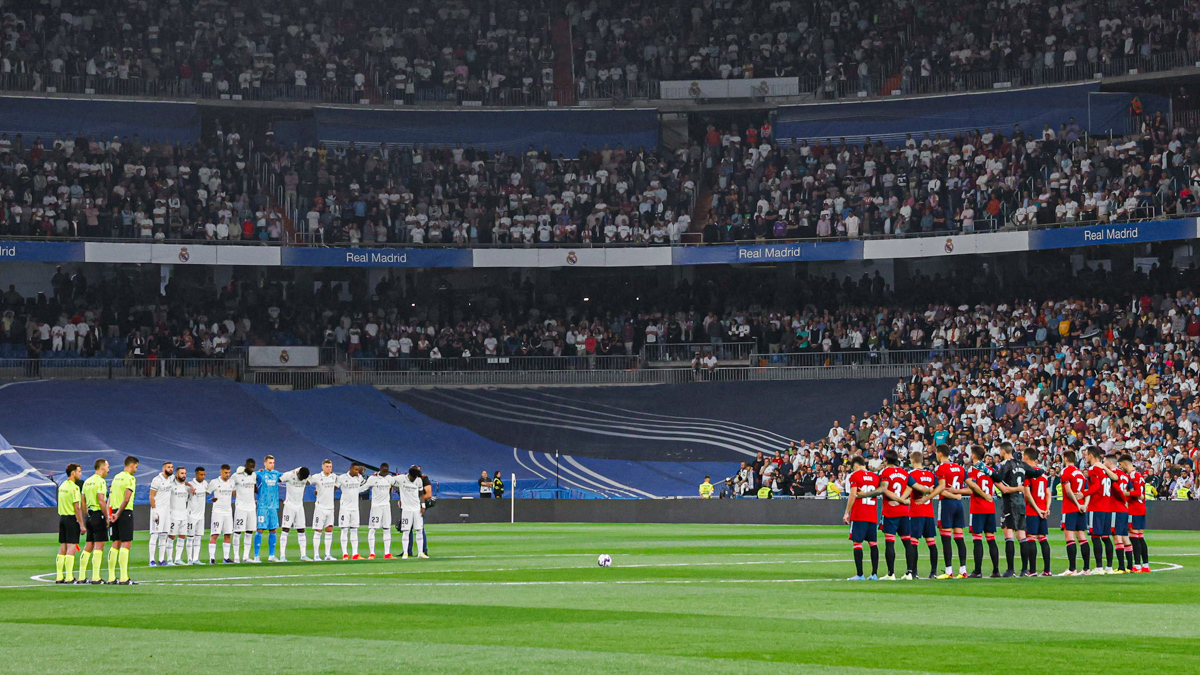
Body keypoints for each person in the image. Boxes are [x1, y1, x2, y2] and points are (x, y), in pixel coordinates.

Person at [993, 442, 1031, 577]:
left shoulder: (1005, 465)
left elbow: (1003, 488)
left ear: (1003, 451)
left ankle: (1010, 570)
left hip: (1010, 503)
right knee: (1022, 536)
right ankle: (1025, 570)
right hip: (1021, 502)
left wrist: (992, 475)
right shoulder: (1020, 464)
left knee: (1009, 536)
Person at [842, 455, 883, 580]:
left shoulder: (855, 476)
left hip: (859, 514)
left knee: (857, 543)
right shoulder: (875, 477)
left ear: (855, 465)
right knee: (873, 543)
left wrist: (846, 512)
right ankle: (874, 574)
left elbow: (853, 495)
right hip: (872, 515)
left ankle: (860, 574)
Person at [933, 444, 969, 578]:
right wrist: (958, 494)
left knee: (946, 537)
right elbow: (970, 487)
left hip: (947, 503)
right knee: (959, 537)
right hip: (959, 504)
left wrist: (953, 495)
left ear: (940, 453)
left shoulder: (940, 468)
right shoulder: (960, 468)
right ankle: (963, 570)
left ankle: (948, 570)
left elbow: (941, 489)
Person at [877, 450, 913, 580]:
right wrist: (903, 500)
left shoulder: (885, 472)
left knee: (890, 542)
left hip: (890, 511)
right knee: (907, 541)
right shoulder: (904, 472)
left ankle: (891, 573)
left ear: (886, 459)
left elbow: (885, 490)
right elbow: (911, 487)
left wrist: (898, 500)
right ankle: (909, 572)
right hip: (904, 511)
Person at [965, 446, 1000, 578]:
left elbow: (973, 487)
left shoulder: (972, 469)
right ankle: (996, 570)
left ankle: (977, 571)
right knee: (991, 539)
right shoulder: (990, 470)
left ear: (973, 455)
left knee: (977, 539)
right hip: (990, 507)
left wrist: (954, 491)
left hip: (978, 508)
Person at [1084, 447, 1120, 574]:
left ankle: (1099, 567)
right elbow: (1115, 478)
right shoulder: (1105, 470)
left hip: (1096, 507)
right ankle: (1109, 567)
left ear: (1091, 455)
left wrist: (1083, 494)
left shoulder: (1093, 469)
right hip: (1107, 507)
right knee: (1106, 537)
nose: (1085, 457)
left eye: (1086, 455)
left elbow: (1095, 486)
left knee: (1095, 536)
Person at [907, 451, 940, 579]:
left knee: (913, 542)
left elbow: (909, 489)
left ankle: (914, 572)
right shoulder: (931, 474)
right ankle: (934, 572)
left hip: (916, 511)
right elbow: (937, 488)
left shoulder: (911, 474)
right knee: (931, 542)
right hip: (929, 512)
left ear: (912, 461)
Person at [1058, 450, 1091, 576]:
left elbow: (1068, 491)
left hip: (1070, 508)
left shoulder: (1065, 471)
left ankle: (1072, 569)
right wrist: (1084, 505)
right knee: (1082, 537)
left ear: (1065, 459)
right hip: (1081, 508)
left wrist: (1077, 504)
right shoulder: (1080, 473)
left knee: (1069, 537)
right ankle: (1086, 569)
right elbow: (1087, 491)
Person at [106, 456, 138, 583]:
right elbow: (127, 498)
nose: (136, 469)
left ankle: (111, 577)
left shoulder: (116, 477)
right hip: (124, 513)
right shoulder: (130, 478)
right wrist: (118, 514)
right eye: (136, 467)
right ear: (131, 465)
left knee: (115, 543)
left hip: (113, 511)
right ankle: (124, 577)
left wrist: (110, 514)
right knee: (126, 543)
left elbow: (110, 497)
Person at [1021, 449, 1052, 576]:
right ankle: (1047, 570)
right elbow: (1048, 493)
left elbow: (1027, 494)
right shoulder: (1043, 474)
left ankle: (1032, 570)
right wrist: (1047, 508)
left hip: (1032, 510)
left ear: (1026, 457)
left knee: (1031, 538)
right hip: (1043, 510)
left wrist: (1037, 509)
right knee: (1043, 539)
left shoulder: (1028, 474)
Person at [79, 458, 110, 584]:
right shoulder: (100, 481)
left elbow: (83, 501)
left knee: (88, 546)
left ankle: (81, 576)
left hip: (90, 515)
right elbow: (101, 501)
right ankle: (96, 577)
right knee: (99, 546)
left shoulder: (87, 481)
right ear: (102, 467)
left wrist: (87, 515)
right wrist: (107, 516)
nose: (108, 470)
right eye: (107, 467)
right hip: (98, 515)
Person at [55, 463, 85, 584]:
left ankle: (59, 576)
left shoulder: (62, 486)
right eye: (79, 471)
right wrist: (81, 524)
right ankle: (69, 577)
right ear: (73, 473)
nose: (80, 474)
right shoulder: (74, 488)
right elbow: (77, 507)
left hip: (62, 518)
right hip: (72, 519)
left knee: (63, 546)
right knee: (72, 546)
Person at [1120, 454, 1150, 573]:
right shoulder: (1139, 475)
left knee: (1134, 538)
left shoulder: (1132, 475)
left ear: (1125, 463)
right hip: (1141, 507)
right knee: (1140, 537)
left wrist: (1125, 493)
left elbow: (1138, 492)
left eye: (1121, 464)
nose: (1121, 467)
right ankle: (1145, 565)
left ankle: (1137, 565)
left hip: (1134, 509)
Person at [365, 463, 398, 559]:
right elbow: (364, 487)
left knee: (387, 528)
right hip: (376, 507)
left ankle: (387, 553)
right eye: (384, 471)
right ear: (380, 470)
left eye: (387, 471)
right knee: (372, 529)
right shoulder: (373, 478)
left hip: (386, 506)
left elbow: (398, 482)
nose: (385, 473)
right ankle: (372, 553)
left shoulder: (389, 478)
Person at [307, 459, 338, 561]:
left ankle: (327, 554)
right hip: (320, 508)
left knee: (329, 530)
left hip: (331, 508)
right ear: (322, 467)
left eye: (330, 466)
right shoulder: (317, 477)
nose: (329, 468)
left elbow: (338, 485)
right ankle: (316, 555)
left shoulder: (334, 477)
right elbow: (307, 481)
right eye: (327, 466)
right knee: (318, 530)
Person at [279, 466, 311, 562]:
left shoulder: (306, 477)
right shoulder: (289, 475)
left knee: (301, 530)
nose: (302, 480)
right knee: (285, 530)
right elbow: (278, 480)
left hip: (299, 507)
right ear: (298, 473)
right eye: (301, 478)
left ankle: (303, 555)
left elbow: (310, 481)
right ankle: (282, 556)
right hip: (289, 506)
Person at [254, 455, 283, 562]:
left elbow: (288, 476)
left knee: (273, 529)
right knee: (260, 529)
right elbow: (249, 476)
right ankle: (256, 556)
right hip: (262, 506)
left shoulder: (277, 474)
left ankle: (271, 555)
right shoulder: (259, 474)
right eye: (270, 462)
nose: (272, 464)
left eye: (273, 462)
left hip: (273, 506)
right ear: (265, 463)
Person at [336, 462, 367, 560]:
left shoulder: (359, 478)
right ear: (350, 469)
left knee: (354, 530)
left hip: (355, 508)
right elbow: (334, 487)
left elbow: (364, 486)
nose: (357, 472)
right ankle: (345, 554)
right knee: (344, 530)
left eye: (358, 470)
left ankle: (355, 554)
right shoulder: (342, 478)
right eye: (355, 470)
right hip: (345, 508)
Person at [207, 465, 236, 563]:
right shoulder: (214, 482)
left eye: (229, 473)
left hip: (228, 512)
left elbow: (235, 494)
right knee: (215, 534)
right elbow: (206, 493)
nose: (228, 475)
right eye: (226, 473)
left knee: (228, 534)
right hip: (217, 512)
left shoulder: (232, 482)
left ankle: (226, 558)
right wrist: (210, 499)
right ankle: (212, 558)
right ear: (221, 472)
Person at [397, 465, 428, 559]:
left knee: (419, 530)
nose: (414, 479)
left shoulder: (418, 480)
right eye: (413, 477)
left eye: (415, 477)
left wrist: (423, 506)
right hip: (406, 510)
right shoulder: (401, 478)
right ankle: (405, 553)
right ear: (409, 475)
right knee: (406, 531)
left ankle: (420, 553)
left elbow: (421, 494)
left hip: (417, 509)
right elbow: (389, 480)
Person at [1108, 455, 1132, 574]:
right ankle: (1130, 566)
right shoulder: (1126, 476)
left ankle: (1121, 567)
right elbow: (1130, 491)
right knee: (1125, 537)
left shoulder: (1112, 475)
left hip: (1115, 508)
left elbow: (1116, 489)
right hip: (1124, 509)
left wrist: (1122, 499)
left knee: (1116, 537)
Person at [148, 461, 174, 567]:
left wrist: (190, 485)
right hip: (158, 510)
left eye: (172, 467)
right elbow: (151, 496)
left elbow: (182, 480)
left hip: (167, 510)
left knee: (164, 535)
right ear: (163, 469)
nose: (171, 469)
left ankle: (161, 559)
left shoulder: (171, 479)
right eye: (168, 467)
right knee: (154, 535)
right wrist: (154, 510)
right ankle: (151, 560)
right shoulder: (157, 480)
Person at [166, 466, 191, 565]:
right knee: (171, 536)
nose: (184, 475)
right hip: (173, 515)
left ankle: (178, 558)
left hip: (184, 515)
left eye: (185, 473)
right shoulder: (171, 485)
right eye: (181, 473)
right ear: (176, 474)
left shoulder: (186, 487)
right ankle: (169, 559)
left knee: (182, 536)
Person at [186, 467, 207, 565]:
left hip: (201, 516)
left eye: (204, 475)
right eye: (201, 475)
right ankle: (189, 559)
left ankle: (196, 559)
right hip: (191, 516)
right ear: (196, 474)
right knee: (190, 537)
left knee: (198, 538)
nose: (203, 477)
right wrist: (189, 485)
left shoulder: (205, 484)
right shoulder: (190, 485)